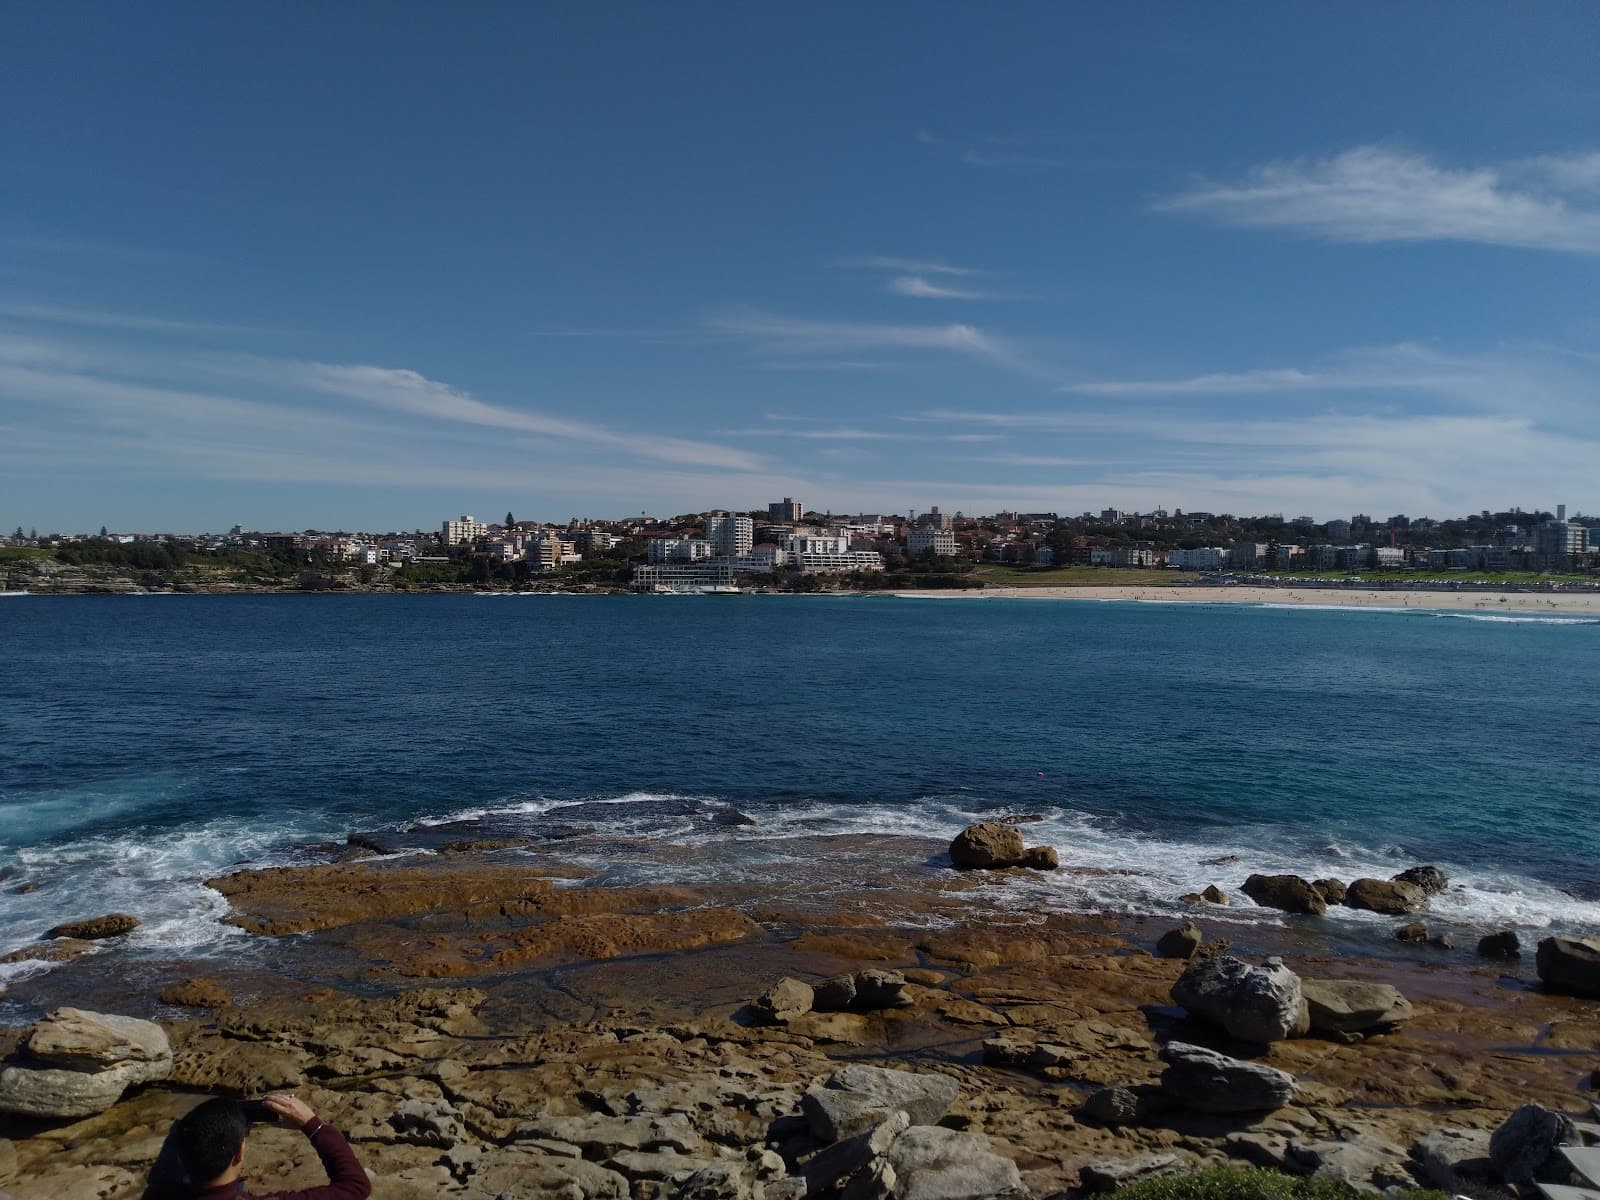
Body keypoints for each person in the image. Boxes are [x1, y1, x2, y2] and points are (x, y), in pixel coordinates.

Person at [142, 1093, 370, 1200]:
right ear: (239, 1153)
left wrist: (229, 1115)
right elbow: (356, 1186)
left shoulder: (157, 1194)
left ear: (180, 1157)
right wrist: (313, 1125)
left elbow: (182, 1129)